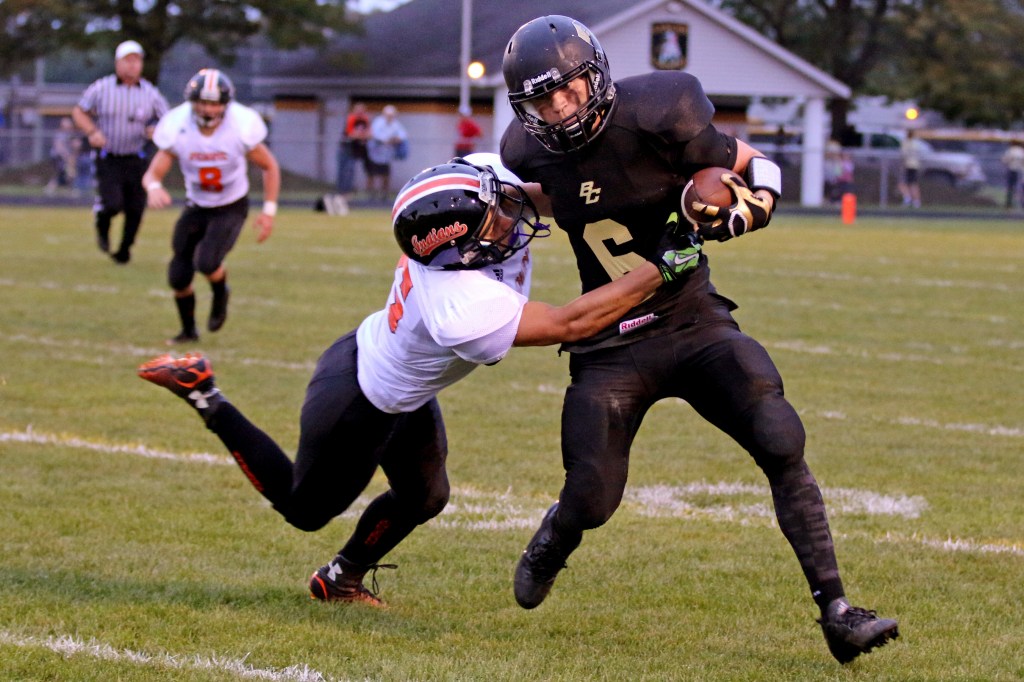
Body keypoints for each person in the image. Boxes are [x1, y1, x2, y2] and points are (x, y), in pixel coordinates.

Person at [499, 15, 898, 665]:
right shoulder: (526, 151)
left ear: (596, 75)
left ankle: (838, 611)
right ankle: (555, 537)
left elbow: (753, 164)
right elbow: (559, 197)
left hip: (692, 320)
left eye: (570, 90)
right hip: (608, 348)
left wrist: (751, 205)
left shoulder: (661, 110)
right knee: (592, 499)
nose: (561, 108)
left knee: (778, 433)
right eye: (544, 99)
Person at [136, 154, 704, 606]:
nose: (510, 216)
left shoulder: (470, 186)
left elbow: (541, 188)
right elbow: (570, 322)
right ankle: (204, 391)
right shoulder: (458, 307)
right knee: (305, 510)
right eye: (494, 221)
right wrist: (663, 266)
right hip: (359, 401)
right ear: (457, 251)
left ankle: (340, 578)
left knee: (426, 495)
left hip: (397, 382)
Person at [141, 69, 281, 345]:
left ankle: (220, 292)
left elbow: (269, 165)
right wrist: (153, 187)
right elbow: (153, 173)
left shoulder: (240, 126)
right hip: (197, 204)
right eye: (203, 102)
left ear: (226, 104)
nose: (208, 108)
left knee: (206, 262)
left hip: (230, 205)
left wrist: (268, 211)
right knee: (178, 276)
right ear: (192, 102)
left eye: (215, 102)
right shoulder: (178, 126)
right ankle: (189, 331)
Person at [72, 40, 169, 263]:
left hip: (136, 157)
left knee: (135, 208)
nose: (132, 66)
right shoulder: (102, 87)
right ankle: (102, 222)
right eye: (128, 60)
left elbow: (168, 120)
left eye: (137, 61)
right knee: (113, 203)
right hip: (108, 156)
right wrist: (92, 131)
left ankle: (125, 249)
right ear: (117, 63)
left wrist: (156, 130)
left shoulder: (150, 93)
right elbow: (79, 111)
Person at [366, 104, 408, 204]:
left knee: (385, 175)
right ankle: (370, 195)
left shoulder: (395, 124)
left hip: (386, 155)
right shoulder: (378, 122)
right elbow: (376, 135)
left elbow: (403, 135)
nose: (390, 117)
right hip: (374, 154)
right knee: (372, 174)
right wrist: (389, 140)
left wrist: (395, 139)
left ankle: (384, 195)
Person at [334, 102, 371, 213]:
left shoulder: (365, 119)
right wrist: (360, 135)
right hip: (345, 148)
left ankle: (346, 194)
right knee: (343, 171)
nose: (360, 112)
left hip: (354, 150)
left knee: (350, 171)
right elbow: (351, 134)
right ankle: (340, 193)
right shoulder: (351, 118)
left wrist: (360, 135)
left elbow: (369, 134)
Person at [45, 117, 76, 196]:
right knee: (61, 173)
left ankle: (69, 190)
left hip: (65, 158)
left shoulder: (70, 135)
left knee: (69, 174)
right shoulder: (60, 134)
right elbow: (59, 147)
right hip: (59, 158)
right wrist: (66, 156)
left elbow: (73, 146)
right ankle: (50, 188)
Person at [898, 129, 925, 208]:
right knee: (913, 184)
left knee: (903, 183)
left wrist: (902, 165)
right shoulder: (917, 143)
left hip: (908, 165)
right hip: (915, 165)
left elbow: (903, 155)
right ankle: (916, 201)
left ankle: (908, 198)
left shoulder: (906, 143)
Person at [1000, 140, 1024, 210]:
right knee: (1019, 188)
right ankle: (1019, 204)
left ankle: (1009, 205)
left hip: (1012, 170)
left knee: (1010, 188)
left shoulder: (1011, 150)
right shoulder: (1021, 151)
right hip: (1020, 171)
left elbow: (1004, 160)